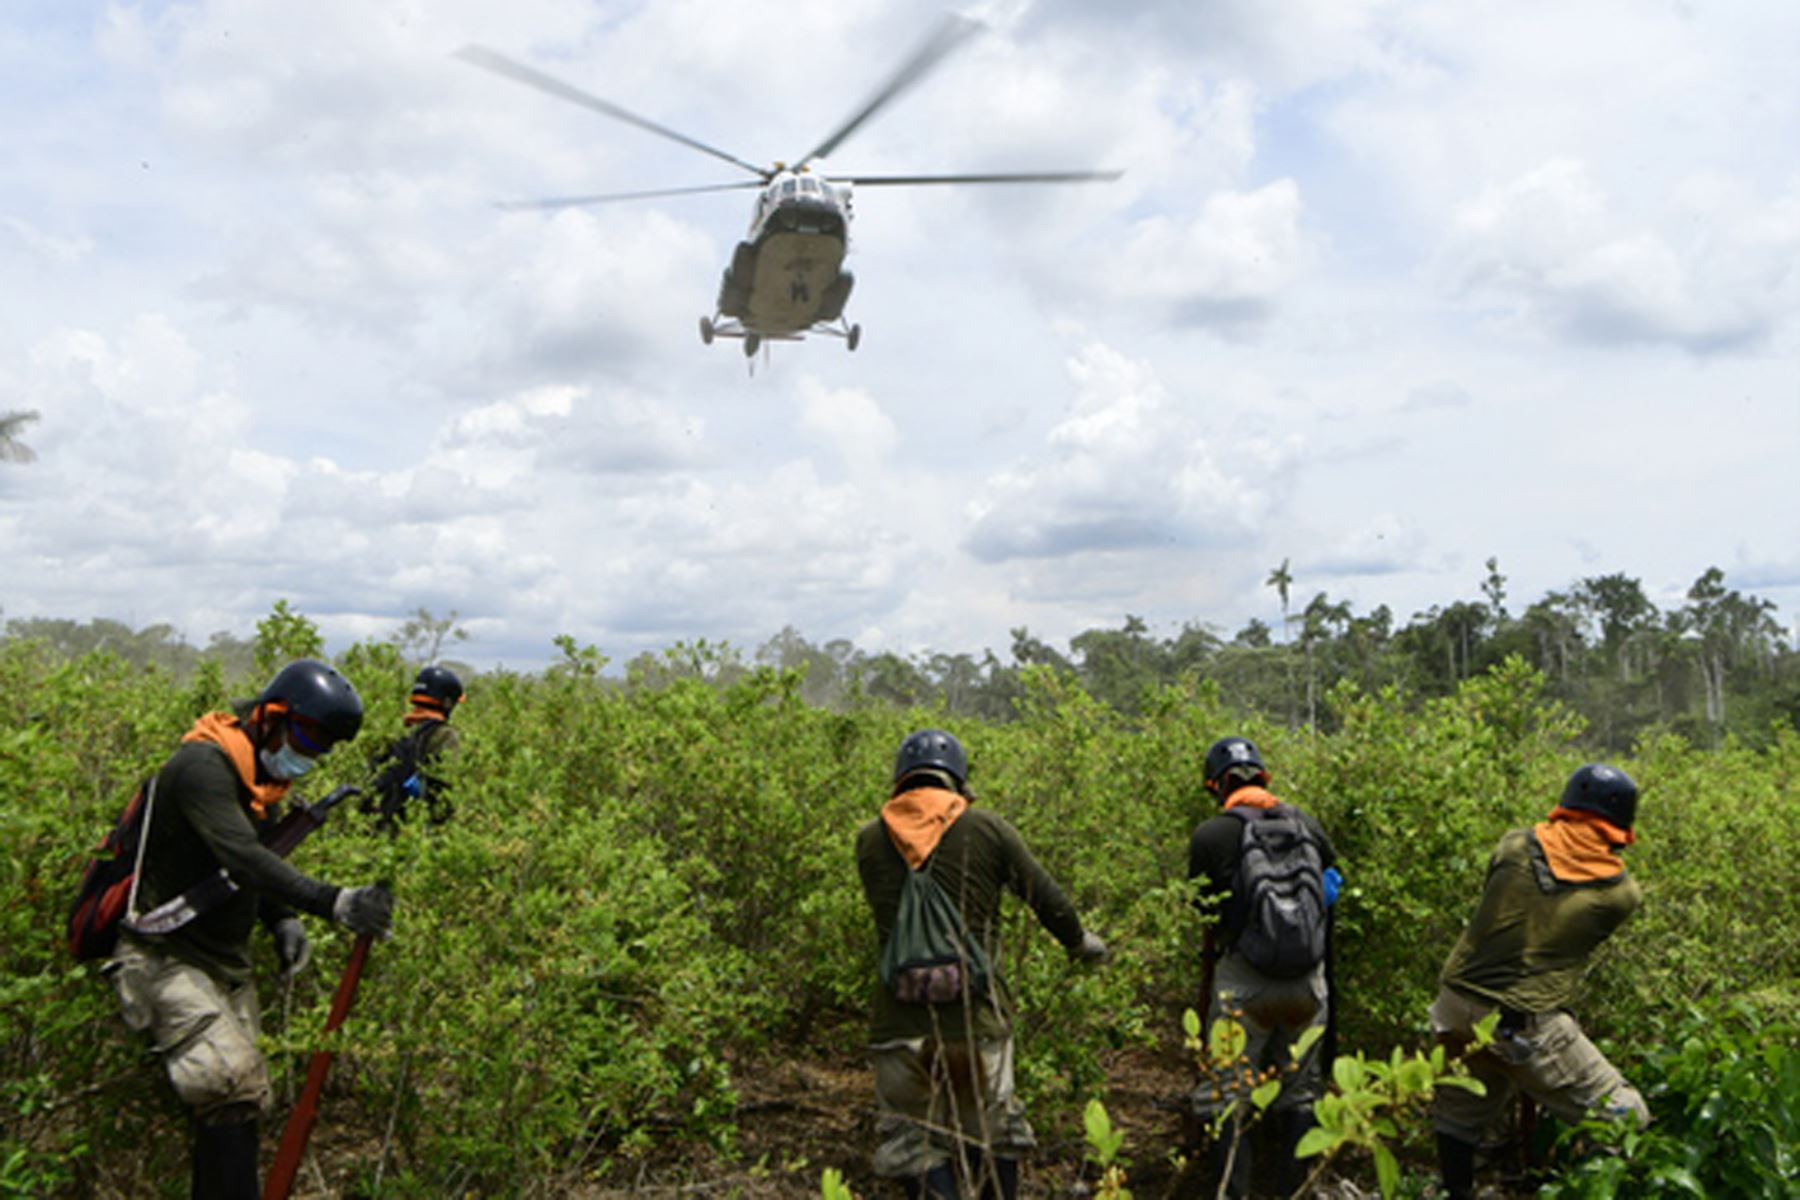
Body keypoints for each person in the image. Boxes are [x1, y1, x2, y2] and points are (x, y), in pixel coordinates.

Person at [105, 659, 396, 1199]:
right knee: (229, 1085)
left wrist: (280, 918)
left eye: (323, 746)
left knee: (236, 1108)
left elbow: (241, 864)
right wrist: (333, 902)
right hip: (165, 956)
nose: (310, 755)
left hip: (224, 965)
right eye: (307, 735)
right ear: (270, 715)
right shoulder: (203, 769)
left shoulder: (259, 778)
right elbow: (241, 858)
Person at [855, 728, 1109, 1200]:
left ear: (900, 781)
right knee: (995, 1135)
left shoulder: (869, 841)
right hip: (976, 1022)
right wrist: (1080, 944)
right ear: (958, 779)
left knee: (914, 1142)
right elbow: (1048, 901)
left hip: (899, 1026)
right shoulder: (987, 828)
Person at [1431, 763, 1650, 1200]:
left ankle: (1455, 1193)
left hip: (1454, 1004)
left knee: (1459, 1115)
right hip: (1523, 1023)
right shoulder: (1621, 895)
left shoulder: (1513, 845)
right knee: (1627, 1116)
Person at [1186, 736, 1339, 1199]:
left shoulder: (1211, 835)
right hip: (1307, 984)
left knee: (1227, 1094)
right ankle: (1297, 1191)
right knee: (1300, 1093)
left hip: (1243, 982)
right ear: (1263, 778)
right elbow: (1331, 887)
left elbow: (1202, 908)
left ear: (1217, 785)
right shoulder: (1307, 825)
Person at [366, 665, 463, 829]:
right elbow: (449, 784)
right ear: (447, 703)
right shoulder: (445, 735)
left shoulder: (392, 730)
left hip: (382, 819)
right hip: (417, 825)